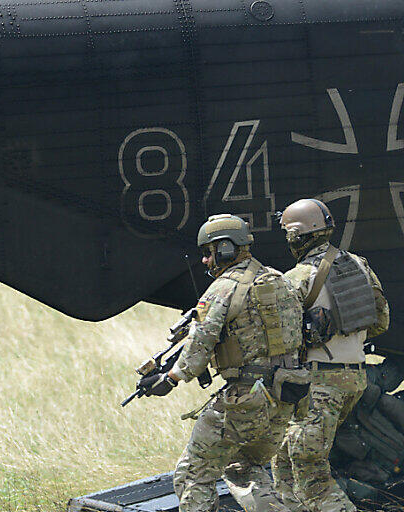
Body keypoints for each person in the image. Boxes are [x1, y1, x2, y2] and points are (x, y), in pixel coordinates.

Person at [137, 213, 303, 512]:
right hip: (287, 394)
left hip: (246, 398)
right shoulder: (279, 280)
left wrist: (171, 378)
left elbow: (202, 341)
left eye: (208, 252)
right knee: (245, 468)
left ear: (225, 249)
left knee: (193, 474)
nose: (205, 261)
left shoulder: (224, 287)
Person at [272, 198, 390, 512]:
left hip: (320, 385)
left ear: (297, 236)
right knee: (284, 458)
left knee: (312, 475)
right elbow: (381, 321)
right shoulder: (360, 265)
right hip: (355, 377)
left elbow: (281, 341)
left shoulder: (296, 278)